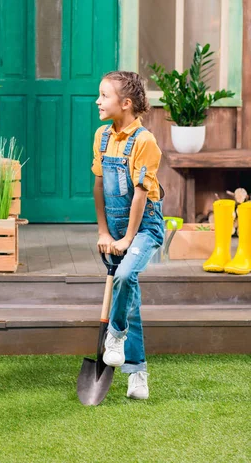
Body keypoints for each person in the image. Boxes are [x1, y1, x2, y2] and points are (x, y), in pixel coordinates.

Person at [92, 71, 164, 400]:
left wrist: (126, 239)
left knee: (124, 276)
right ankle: (138, 373)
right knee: (130, 298)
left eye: (104, 96)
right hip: (117, 230)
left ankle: (116, 333)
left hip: (145, 227)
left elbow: (139, 195)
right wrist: (105, 231)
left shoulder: (145, 141)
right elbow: (98, 186)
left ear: (125, 103)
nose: (97, 101)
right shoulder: (102, 137)